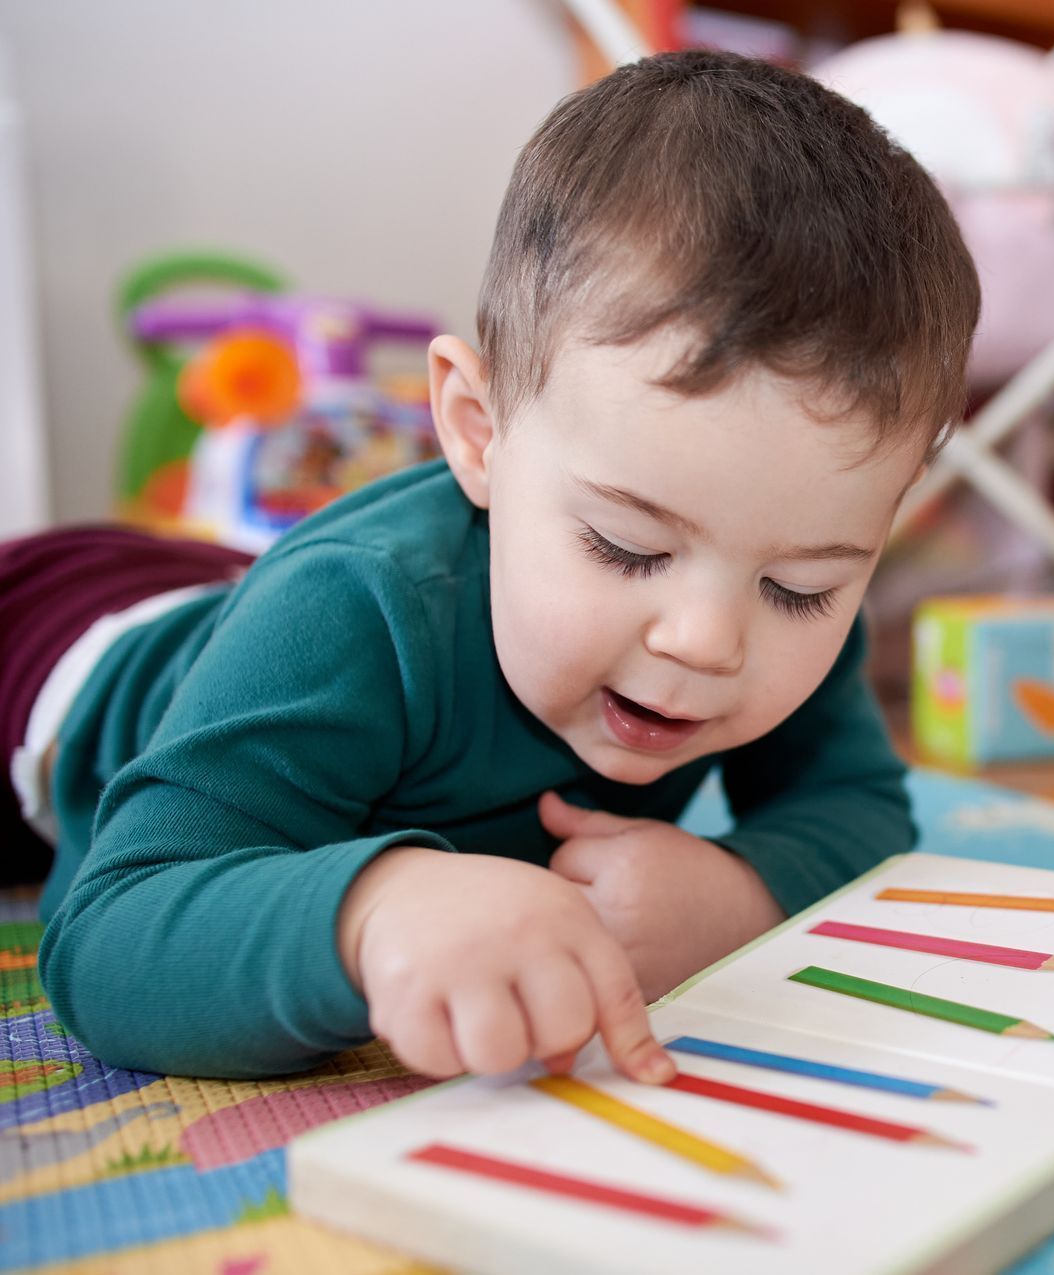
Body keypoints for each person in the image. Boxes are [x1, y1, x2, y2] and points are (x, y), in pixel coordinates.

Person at [7, 50, 979, 1083]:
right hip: (48, 633)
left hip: (227, 586)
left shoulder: (773, 598)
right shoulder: (351, 614)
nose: (708, 638)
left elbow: (863, 812)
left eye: (800, 585)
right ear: (476, 434)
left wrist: (741, 891)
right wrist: (373, 911)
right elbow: (110, 932)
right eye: (626, 546)